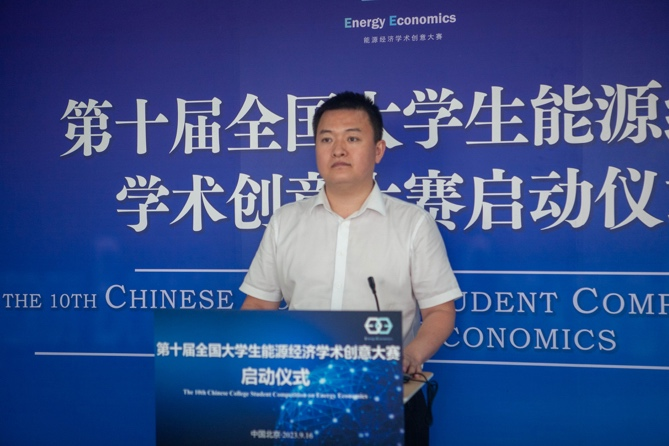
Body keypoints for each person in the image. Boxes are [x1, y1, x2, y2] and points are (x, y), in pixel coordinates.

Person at [239, 91, 462, 444]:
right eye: (326, 139)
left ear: (378, 150)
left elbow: (439, 311)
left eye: (352, 138)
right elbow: (257, 305)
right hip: (303, 396)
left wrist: (411, 355)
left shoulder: (413, 223)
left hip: (387, 396)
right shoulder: (285, 222)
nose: (338, 150)